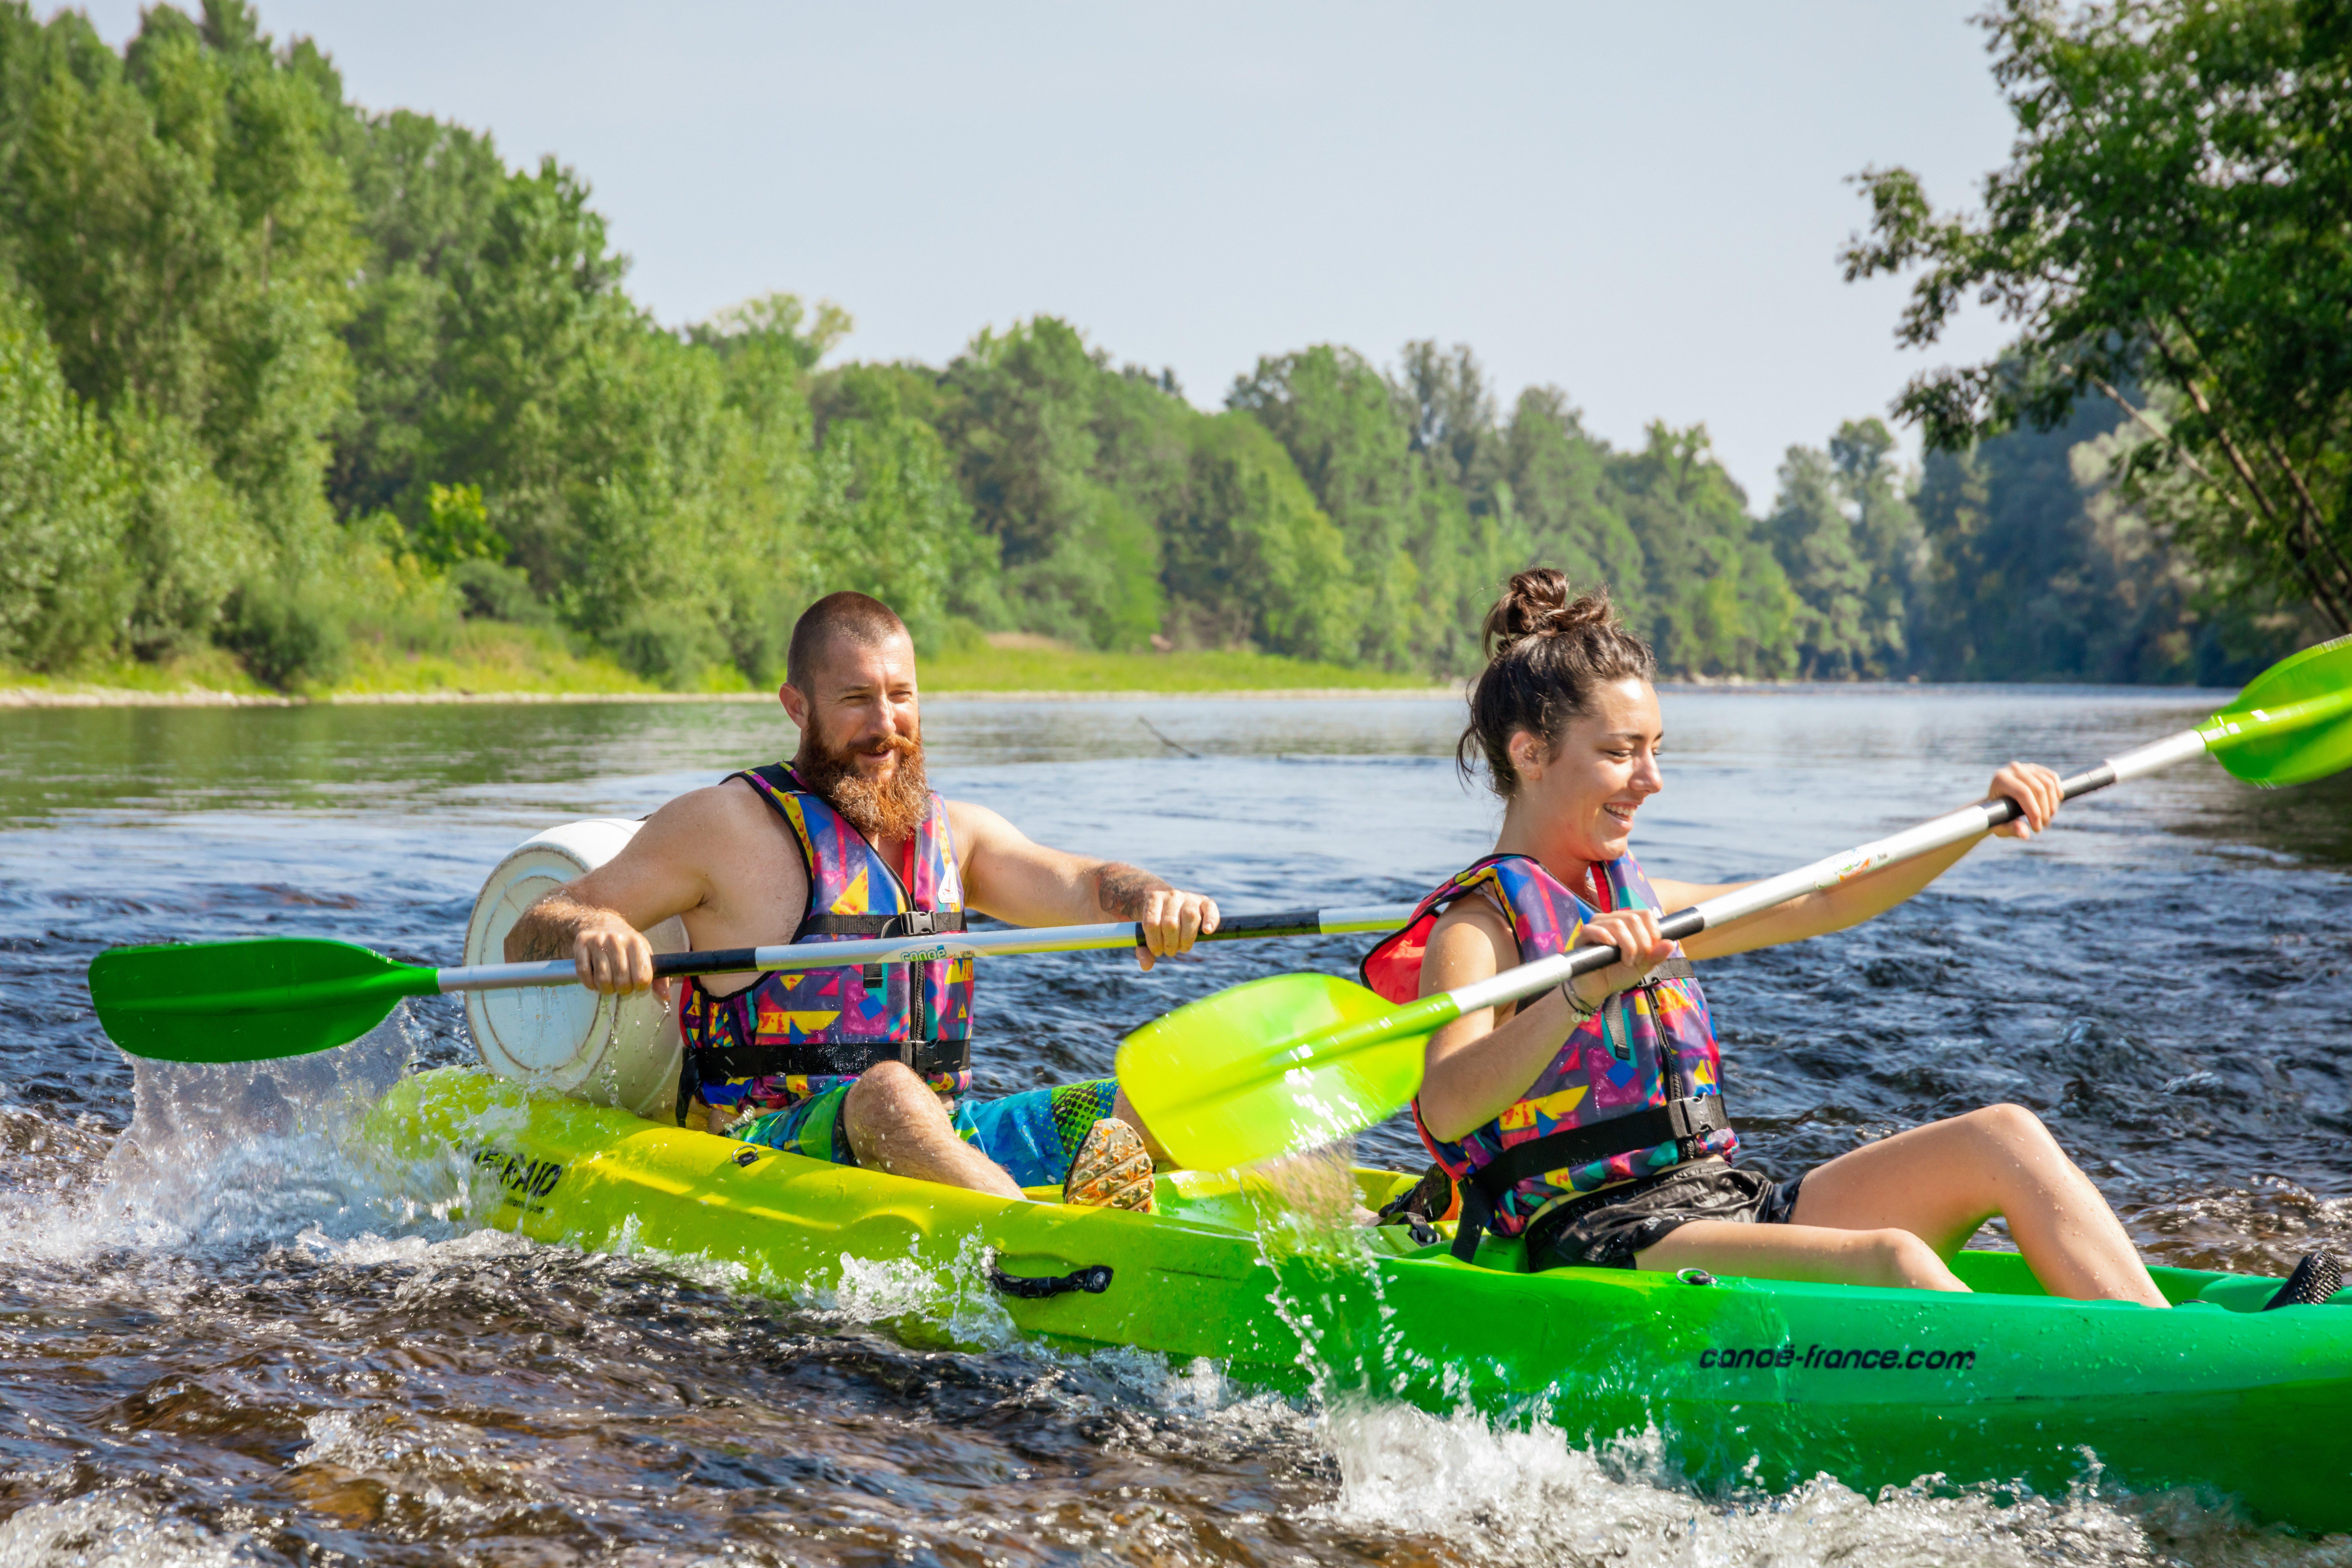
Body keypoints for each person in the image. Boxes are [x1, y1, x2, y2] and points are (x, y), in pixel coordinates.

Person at [1364, 568, 2298, 1305]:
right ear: (1531, 755)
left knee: (2003, 1137)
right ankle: (2074, 1401)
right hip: (1602, 1239)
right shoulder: (1480, 927)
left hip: (1722, 1201)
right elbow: (1447, 1108)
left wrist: (1978, 821)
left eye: (1656, 749)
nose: (1651, 778)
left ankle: (2163, 1357)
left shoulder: (1644, 899)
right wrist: (1578, 994)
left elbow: (1823, 903)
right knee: (1891, 1258)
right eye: (1620, 752)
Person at [504, 590, 1218, 1213]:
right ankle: (1041, 1238)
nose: (886, 725)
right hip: (766, 1143)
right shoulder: (724, 826)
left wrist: (1151, 898)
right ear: (798, 706)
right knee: (890, 1092)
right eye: (856, 700)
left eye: (901, 696)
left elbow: (1088, 886)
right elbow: (535, 926)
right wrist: (594, 931)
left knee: (1159, 1098)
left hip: (940, 1132)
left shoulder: (956, 833)